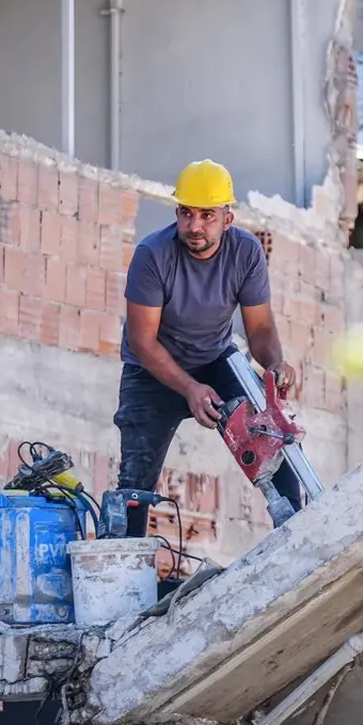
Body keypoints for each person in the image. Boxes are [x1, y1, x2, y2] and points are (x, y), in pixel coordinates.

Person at [115, 159, 303, 536]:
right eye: (186, 214)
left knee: (271, 436)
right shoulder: (153, 256)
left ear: (227, 219)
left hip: (216, 360)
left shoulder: (246, 253)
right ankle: (125, 575)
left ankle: (297, 535)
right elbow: (143, 340)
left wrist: (275, 364)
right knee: (135, 485)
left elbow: (261, 327)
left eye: (207, 215)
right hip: (152, 370)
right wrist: (189, 389)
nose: (195, 226)